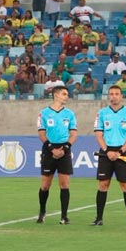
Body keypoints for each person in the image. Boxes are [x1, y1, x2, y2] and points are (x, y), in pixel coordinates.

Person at [92, 85, 126, 226]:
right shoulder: (102, 113)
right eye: (111, 94)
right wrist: (107, 151)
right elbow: (98, 134)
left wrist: (120, 151)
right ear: (109, 96)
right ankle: (99, 218)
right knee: (103, 184)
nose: (114, 96)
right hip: (106, 152)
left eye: (116, 94)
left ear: (121, 96)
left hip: (122, 151)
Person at [37, 86, 78, 225]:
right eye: (64, 94)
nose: (67, 96)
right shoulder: (44, 113)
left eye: (67, 94)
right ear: (56, 95)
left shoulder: (70, 114)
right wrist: (51, 148)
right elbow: (41, 133)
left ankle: (64, 216)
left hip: (64, 151)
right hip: (49, 150)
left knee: (64, 184)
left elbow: (73, 133)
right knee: (45, 185)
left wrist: (65, 147)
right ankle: (42, 212)